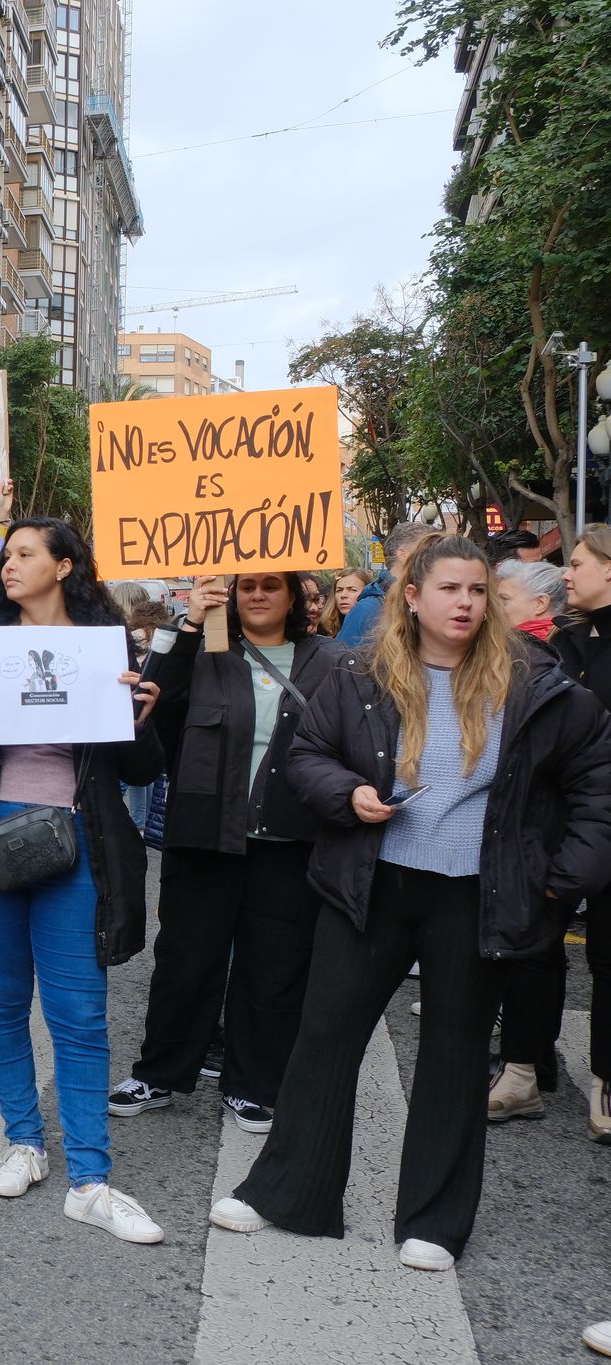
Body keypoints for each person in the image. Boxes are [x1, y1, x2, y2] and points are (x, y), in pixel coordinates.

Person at [211, 533, 611, 1271]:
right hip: (371, 882)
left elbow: (597, 783)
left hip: (476, 893)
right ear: (414, 597)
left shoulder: (535, 681)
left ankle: (433, 1220)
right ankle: (288, 1193)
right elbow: (307, 757)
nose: (465, 602)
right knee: (325, 1035)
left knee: (455, 1053)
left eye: (478, 590)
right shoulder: (360, 671)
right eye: (451, 588)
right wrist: (348, 793)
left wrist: (564, 878)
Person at [0, 518, 167, 1243]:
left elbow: (141, 771)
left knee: (79, 1012)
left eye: (25, 553)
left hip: (76, 844)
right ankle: (24, 1140)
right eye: (4, 556)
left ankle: (90, 1176)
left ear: (64, 566)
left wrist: (139, 717)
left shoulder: (104, 650)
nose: (8, 565)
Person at [109, 572, 347, 1137]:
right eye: (247, 587)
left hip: (290, 840)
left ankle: (254, 1084)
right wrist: (190, 621)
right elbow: (151, 706)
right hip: (205, 836)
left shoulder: (333, 662)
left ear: (294, 597)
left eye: (272, 586)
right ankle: (160, 1073)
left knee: (274, 967)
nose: (258, 595)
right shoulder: (205, 648)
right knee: (186, 959)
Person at [482, 556, 571, 1120]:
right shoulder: (498, 656)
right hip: (521, 829)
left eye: (501, 599)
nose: (487, 608)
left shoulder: (553, 662)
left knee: (535, 948)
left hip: (545, 833)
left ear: (539, 606)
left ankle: (523, 1068)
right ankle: (528, 1060)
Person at [548, 526, 611, 1143]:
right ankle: (530, 1066)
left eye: (579, 563)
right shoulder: (567, 641)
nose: (568, 574)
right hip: (568, 814)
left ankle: (605, 1080)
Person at [335, 524, 426, 650]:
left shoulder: (427, 601)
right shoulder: (367, 608)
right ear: (402, 555)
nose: (436, 557)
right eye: (427, 549)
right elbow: (344, 662)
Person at [321, 568, 372, 639]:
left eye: (352, 590)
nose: (343, 595)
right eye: (339, 590)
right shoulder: (321, 628)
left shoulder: (374, 628)